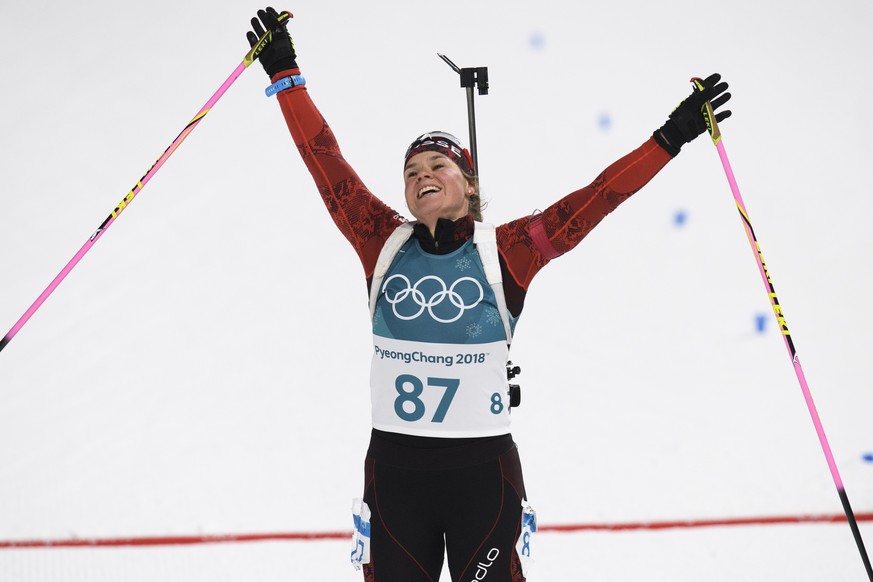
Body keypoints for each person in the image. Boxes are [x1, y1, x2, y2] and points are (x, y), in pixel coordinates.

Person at [245, 8, 731, 582]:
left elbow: (598, 198)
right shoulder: (379, 239)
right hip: (396, 475)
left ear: (468, 182)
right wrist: (284, 71)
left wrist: (670, 138)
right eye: (410, 170)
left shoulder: (509, 251)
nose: (421, 175)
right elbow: (326, 164)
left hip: (483, 476)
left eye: (437, 165)